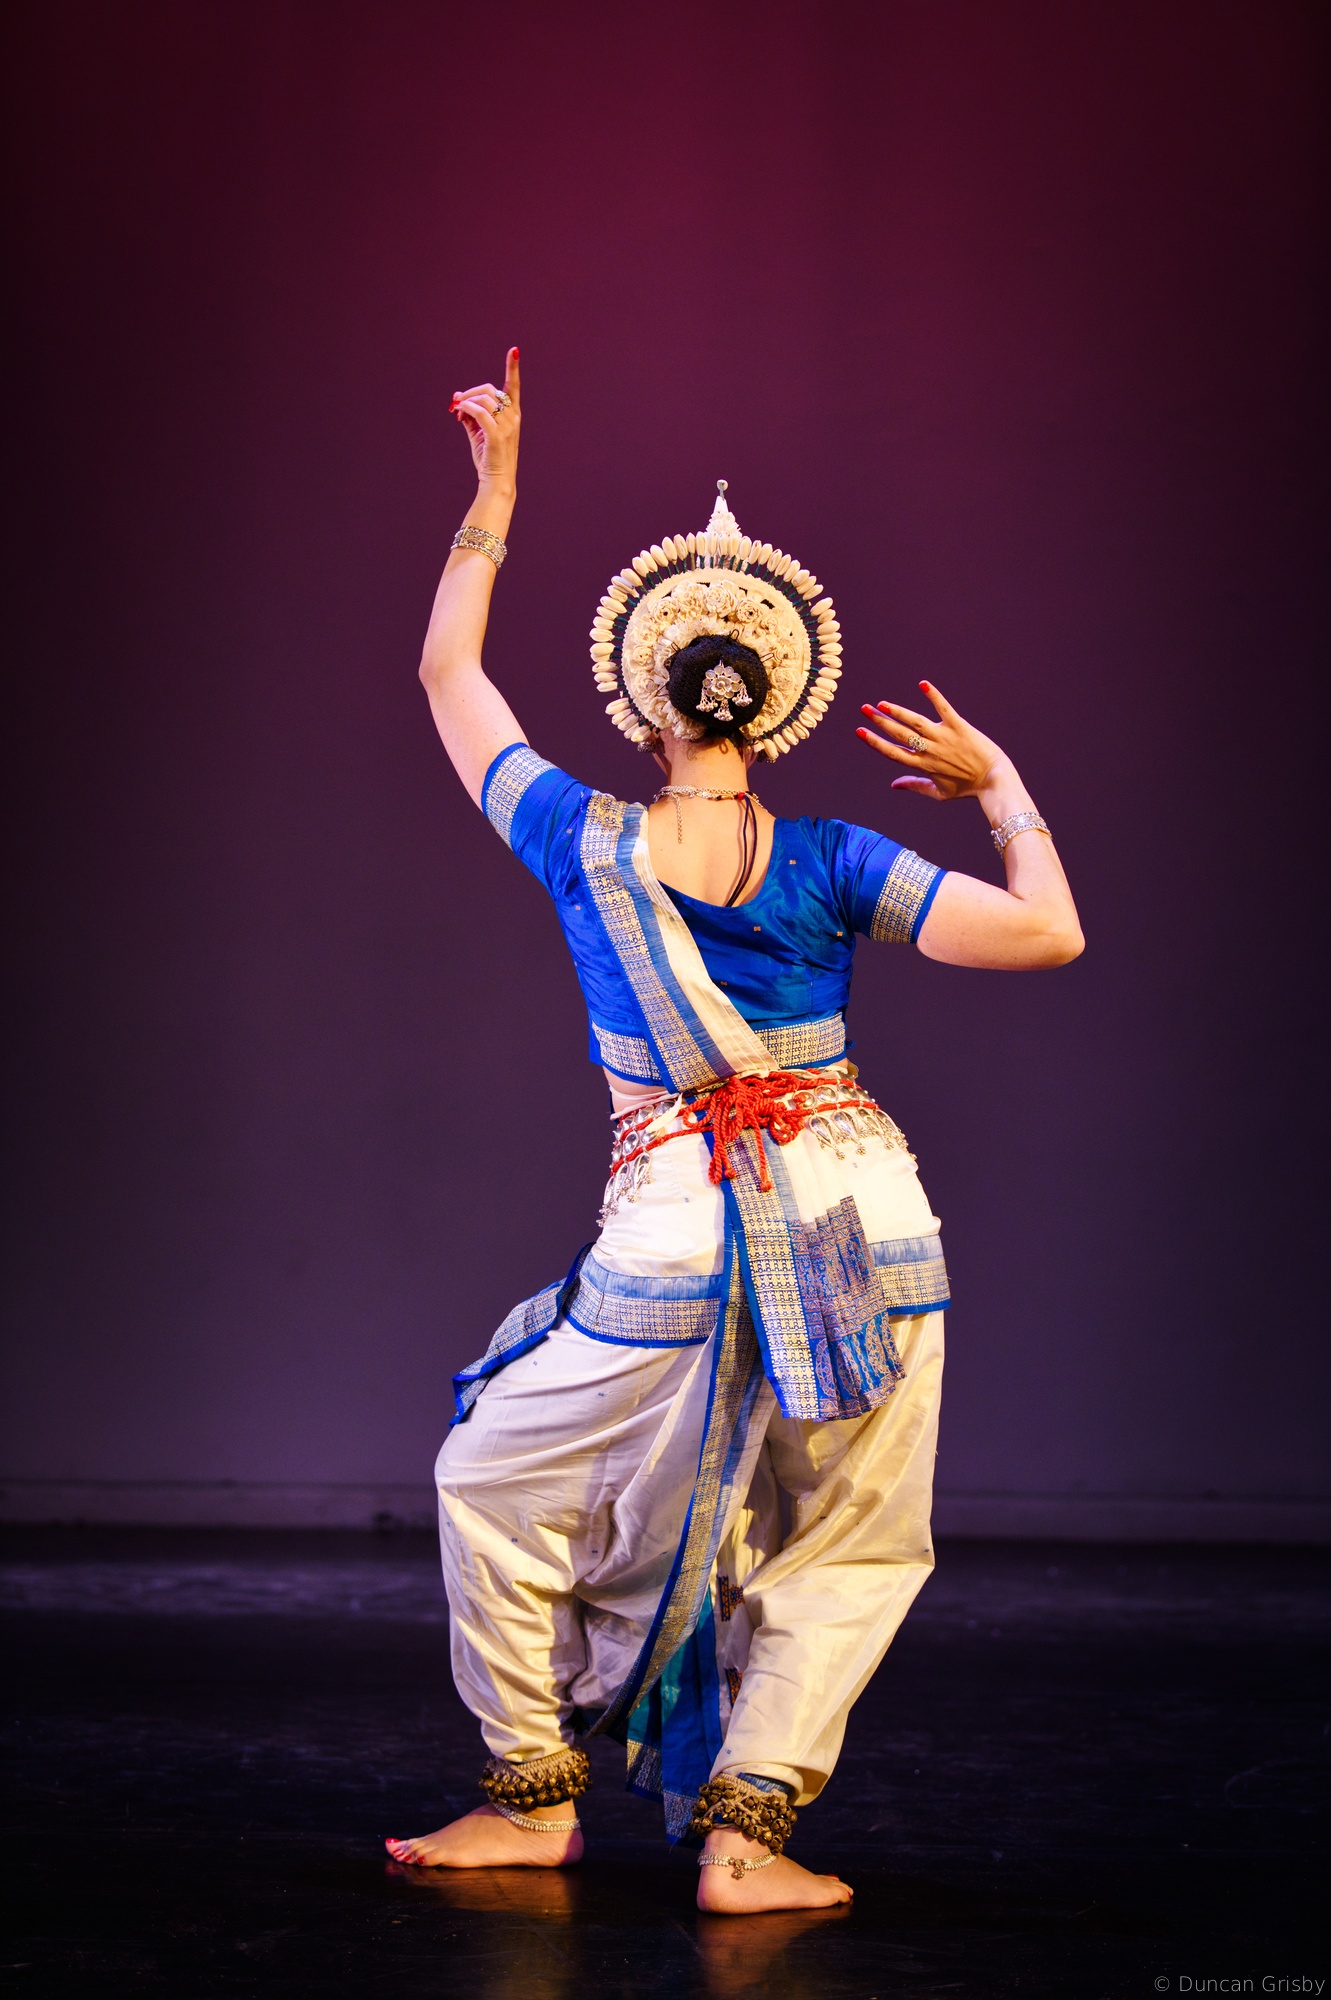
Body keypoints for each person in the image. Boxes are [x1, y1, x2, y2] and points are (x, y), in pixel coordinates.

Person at [386, 350, 1083, 1913]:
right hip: (859, 1221)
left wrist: (497, 498)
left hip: (682, 1223)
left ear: (646, 703)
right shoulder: (835, 857)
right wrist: (1000, 784)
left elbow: (446, 675)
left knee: (496, 1482)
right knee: (840, 1530)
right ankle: (746, 1843)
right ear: (776, 706)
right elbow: (1050, 934)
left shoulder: (580, 835)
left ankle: (533, 1797)